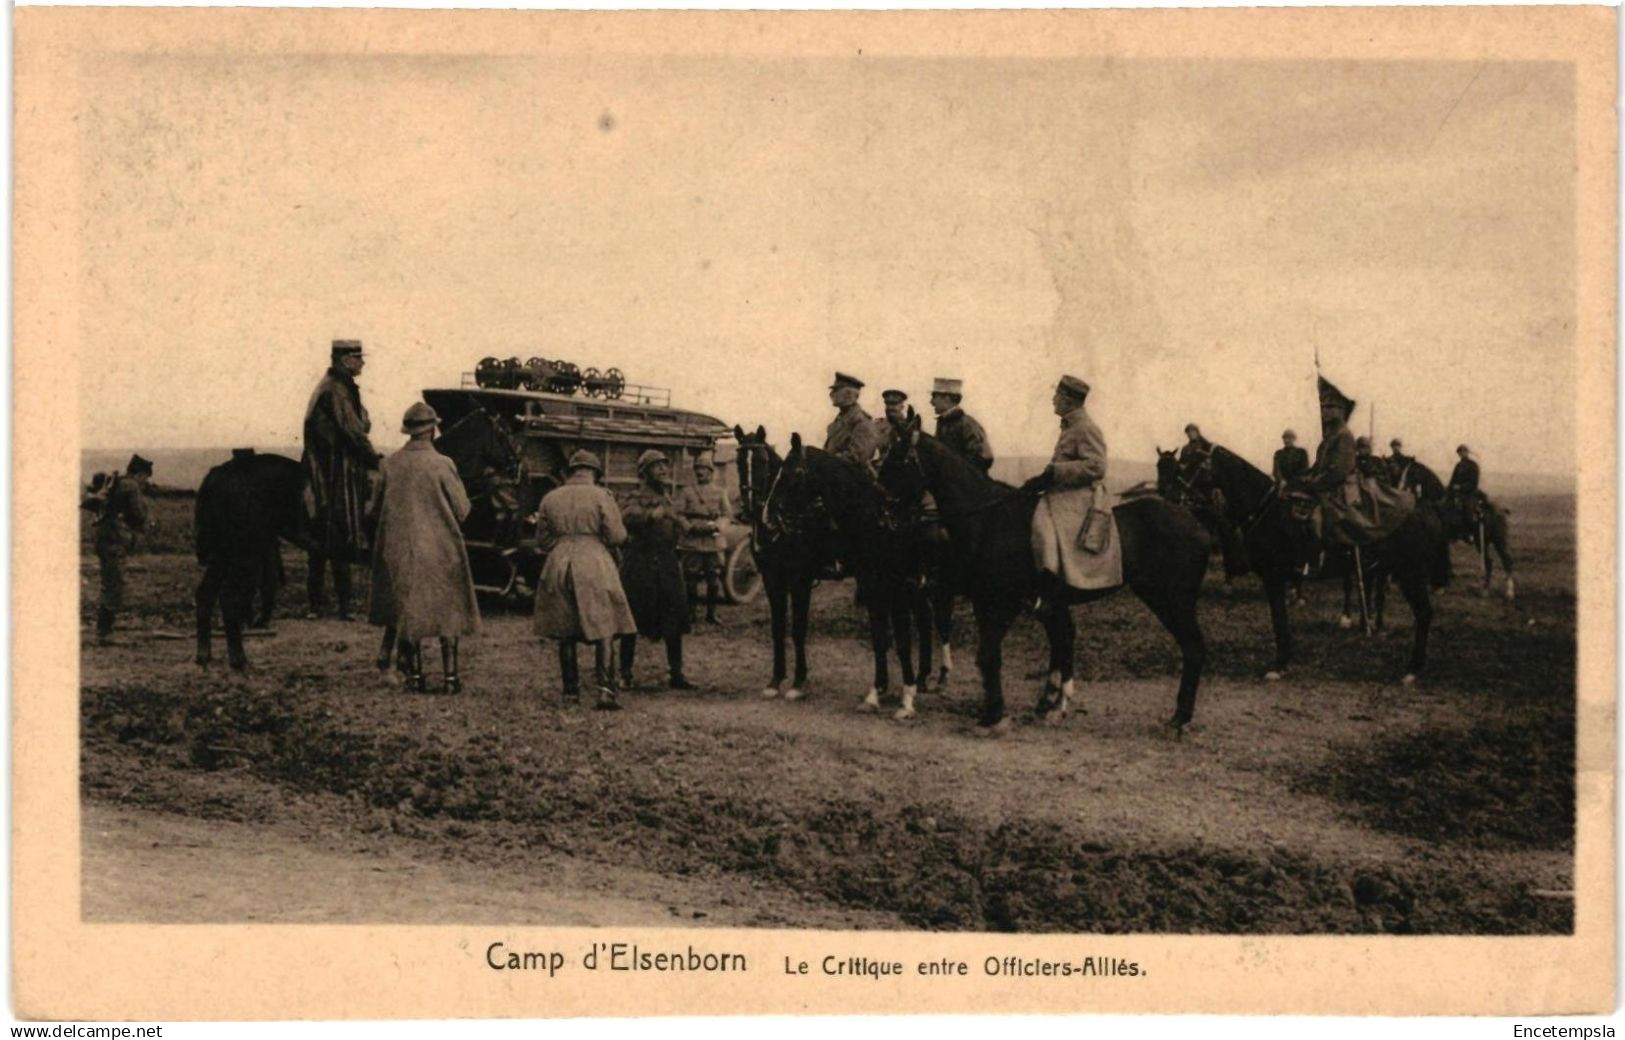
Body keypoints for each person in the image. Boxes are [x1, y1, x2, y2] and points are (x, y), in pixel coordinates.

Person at [367, 403, 481, 694]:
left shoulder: (389, 464)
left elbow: (373, 510)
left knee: (408, 606)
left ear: (409, 431)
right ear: (431, 430)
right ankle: (450, 678)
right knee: (448, 609)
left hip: (399, 549)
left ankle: (415, 677)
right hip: (439, 548)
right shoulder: (443, 464)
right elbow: (463, 510)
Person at [533, 450, 638, 709]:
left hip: (558, 561)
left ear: (572, 471)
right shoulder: (601, 496)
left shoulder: (550, 498)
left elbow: (542, 541)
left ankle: (570, 692)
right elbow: (616, 536)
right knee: (605, 625)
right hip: (594, 560)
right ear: (595, 472)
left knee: (565, 629)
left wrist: (563, 543)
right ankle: (605, 692)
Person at [302, 339, 379, 620]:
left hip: (327, 462)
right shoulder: (338, 389)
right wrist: (375, 460)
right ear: (346, 360)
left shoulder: (335, 386)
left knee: (324, 538)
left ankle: (317, 605)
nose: (362, 363)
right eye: (359, 358)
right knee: (340, 531)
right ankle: (342, 606)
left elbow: (359, 423)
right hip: (334, 468)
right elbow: (355, 431)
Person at [1024, 375, 1108, 600]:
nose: (1053, 400)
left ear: (1068, 400)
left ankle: (1049, 586)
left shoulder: (1085, 428)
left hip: (1079, 496)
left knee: (1042, 526)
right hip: (1063, 492)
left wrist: (1055, 472)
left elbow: (1097, 466)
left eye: (1057, 396)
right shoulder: (1071, 426)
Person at [620, 450, 693, 691]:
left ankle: (676, 674)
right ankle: (625, 674)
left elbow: (675, 522)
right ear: (644, 472)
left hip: (667, 563)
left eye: (664, 465)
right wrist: (652, 515)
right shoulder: (636, 495)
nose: (663, 470)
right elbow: (626, 517)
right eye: (656, 466)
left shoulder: (669, 498)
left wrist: (681, 524)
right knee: (632, 619)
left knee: (675, 616)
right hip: (641, 564)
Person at [84, 454, 154, 643]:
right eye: (145, 477)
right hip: (115, 540)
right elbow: (138, 514)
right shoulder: (131, 486)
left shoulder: (117, 483)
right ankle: (104, 632)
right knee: (114, 585)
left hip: (104, 538)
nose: (145, 482)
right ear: (140, 474)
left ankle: (104, 630)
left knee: (110, 582)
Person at [1299, 377, 1360, 548]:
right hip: (1325, 486)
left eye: (1329, 407)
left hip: (1340, 490)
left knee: (1315, 518)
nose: (1323, 411)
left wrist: (1314, 483)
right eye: (1323, 407)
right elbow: (1319, 466)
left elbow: (1339, 471)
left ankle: (1323, 557)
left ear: (1341, 411)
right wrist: (1304, 478)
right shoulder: (1329, 437)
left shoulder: (1344, 435)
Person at [677, 454, 731, 625]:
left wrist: (718, 527)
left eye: (704, 469)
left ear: (711, 472)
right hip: (692, 541)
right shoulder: (686, 491)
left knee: (713, 578)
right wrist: (688, 527)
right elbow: (678, 513)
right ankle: (691, 613)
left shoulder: (720, 492)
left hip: (712, 541)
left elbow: (727, 514)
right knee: (690, 578)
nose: (700, 472)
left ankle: (711, 614)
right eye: (698, 469)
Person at [930, 377, 993, 472]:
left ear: (947, 398)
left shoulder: (967, 423)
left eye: (935, 397)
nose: (931, 402)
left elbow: (984, 457)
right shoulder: (943, 423)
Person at [823, 372, 880, 472]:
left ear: (848, 394)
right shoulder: (836, 423)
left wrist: (825, 462)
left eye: (836, 390)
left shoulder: (863, 423)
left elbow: (857, 458)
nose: (831, 394)